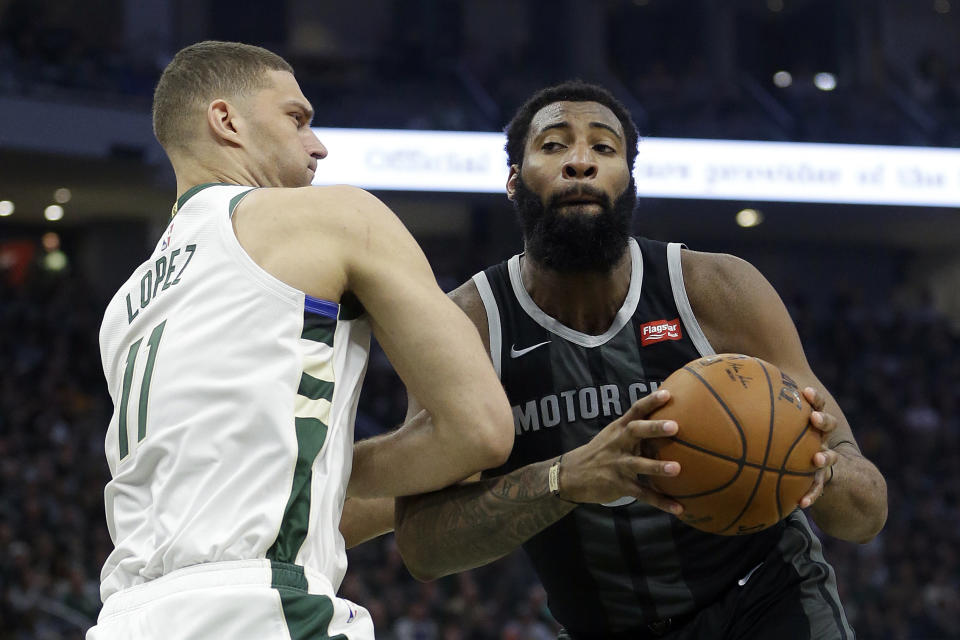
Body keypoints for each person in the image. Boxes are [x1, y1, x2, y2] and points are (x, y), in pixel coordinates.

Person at [394, 81, 888, 639]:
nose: (580, 161)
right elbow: (422, 548)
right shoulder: (468, 326)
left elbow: (866, 514)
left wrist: (820, 470)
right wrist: (565, 479)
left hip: (768, 602)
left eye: (604, 148)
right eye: (553, 145)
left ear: (630, 182)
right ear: (513, 182)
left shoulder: (717, 289)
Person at [87, 41, 514, 640]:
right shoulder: (334, 218)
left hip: (124, 617)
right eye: (297, 117)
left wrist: (332, 479)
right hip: (261, 610)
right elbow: (481, 430)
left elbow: (247, 488)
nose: (319, 143)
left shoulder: (122, 306)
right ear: (226, 120)